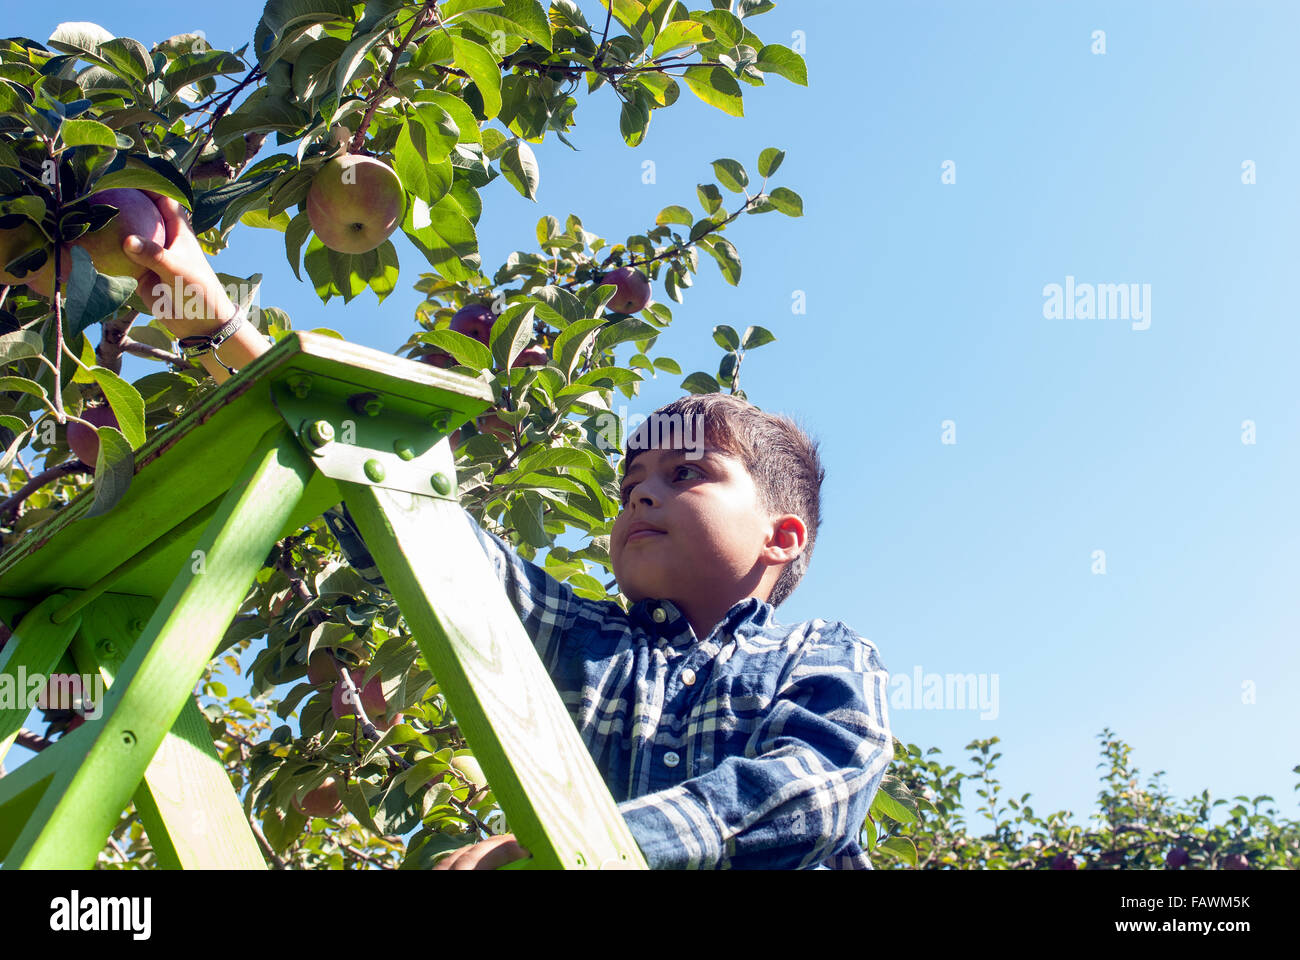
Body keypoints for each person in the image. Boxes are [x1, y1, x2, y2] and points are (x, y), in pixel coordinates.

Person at [119, 192, 895, 871]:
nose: (641, 498)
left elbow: (816, 789)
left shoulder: (817, 653)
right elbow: (391, 506)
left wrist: (588, 843)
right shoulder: (580, 638)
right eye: (629, 487)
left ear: (781, 537)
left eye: (685, 474)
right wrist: (213, 324)